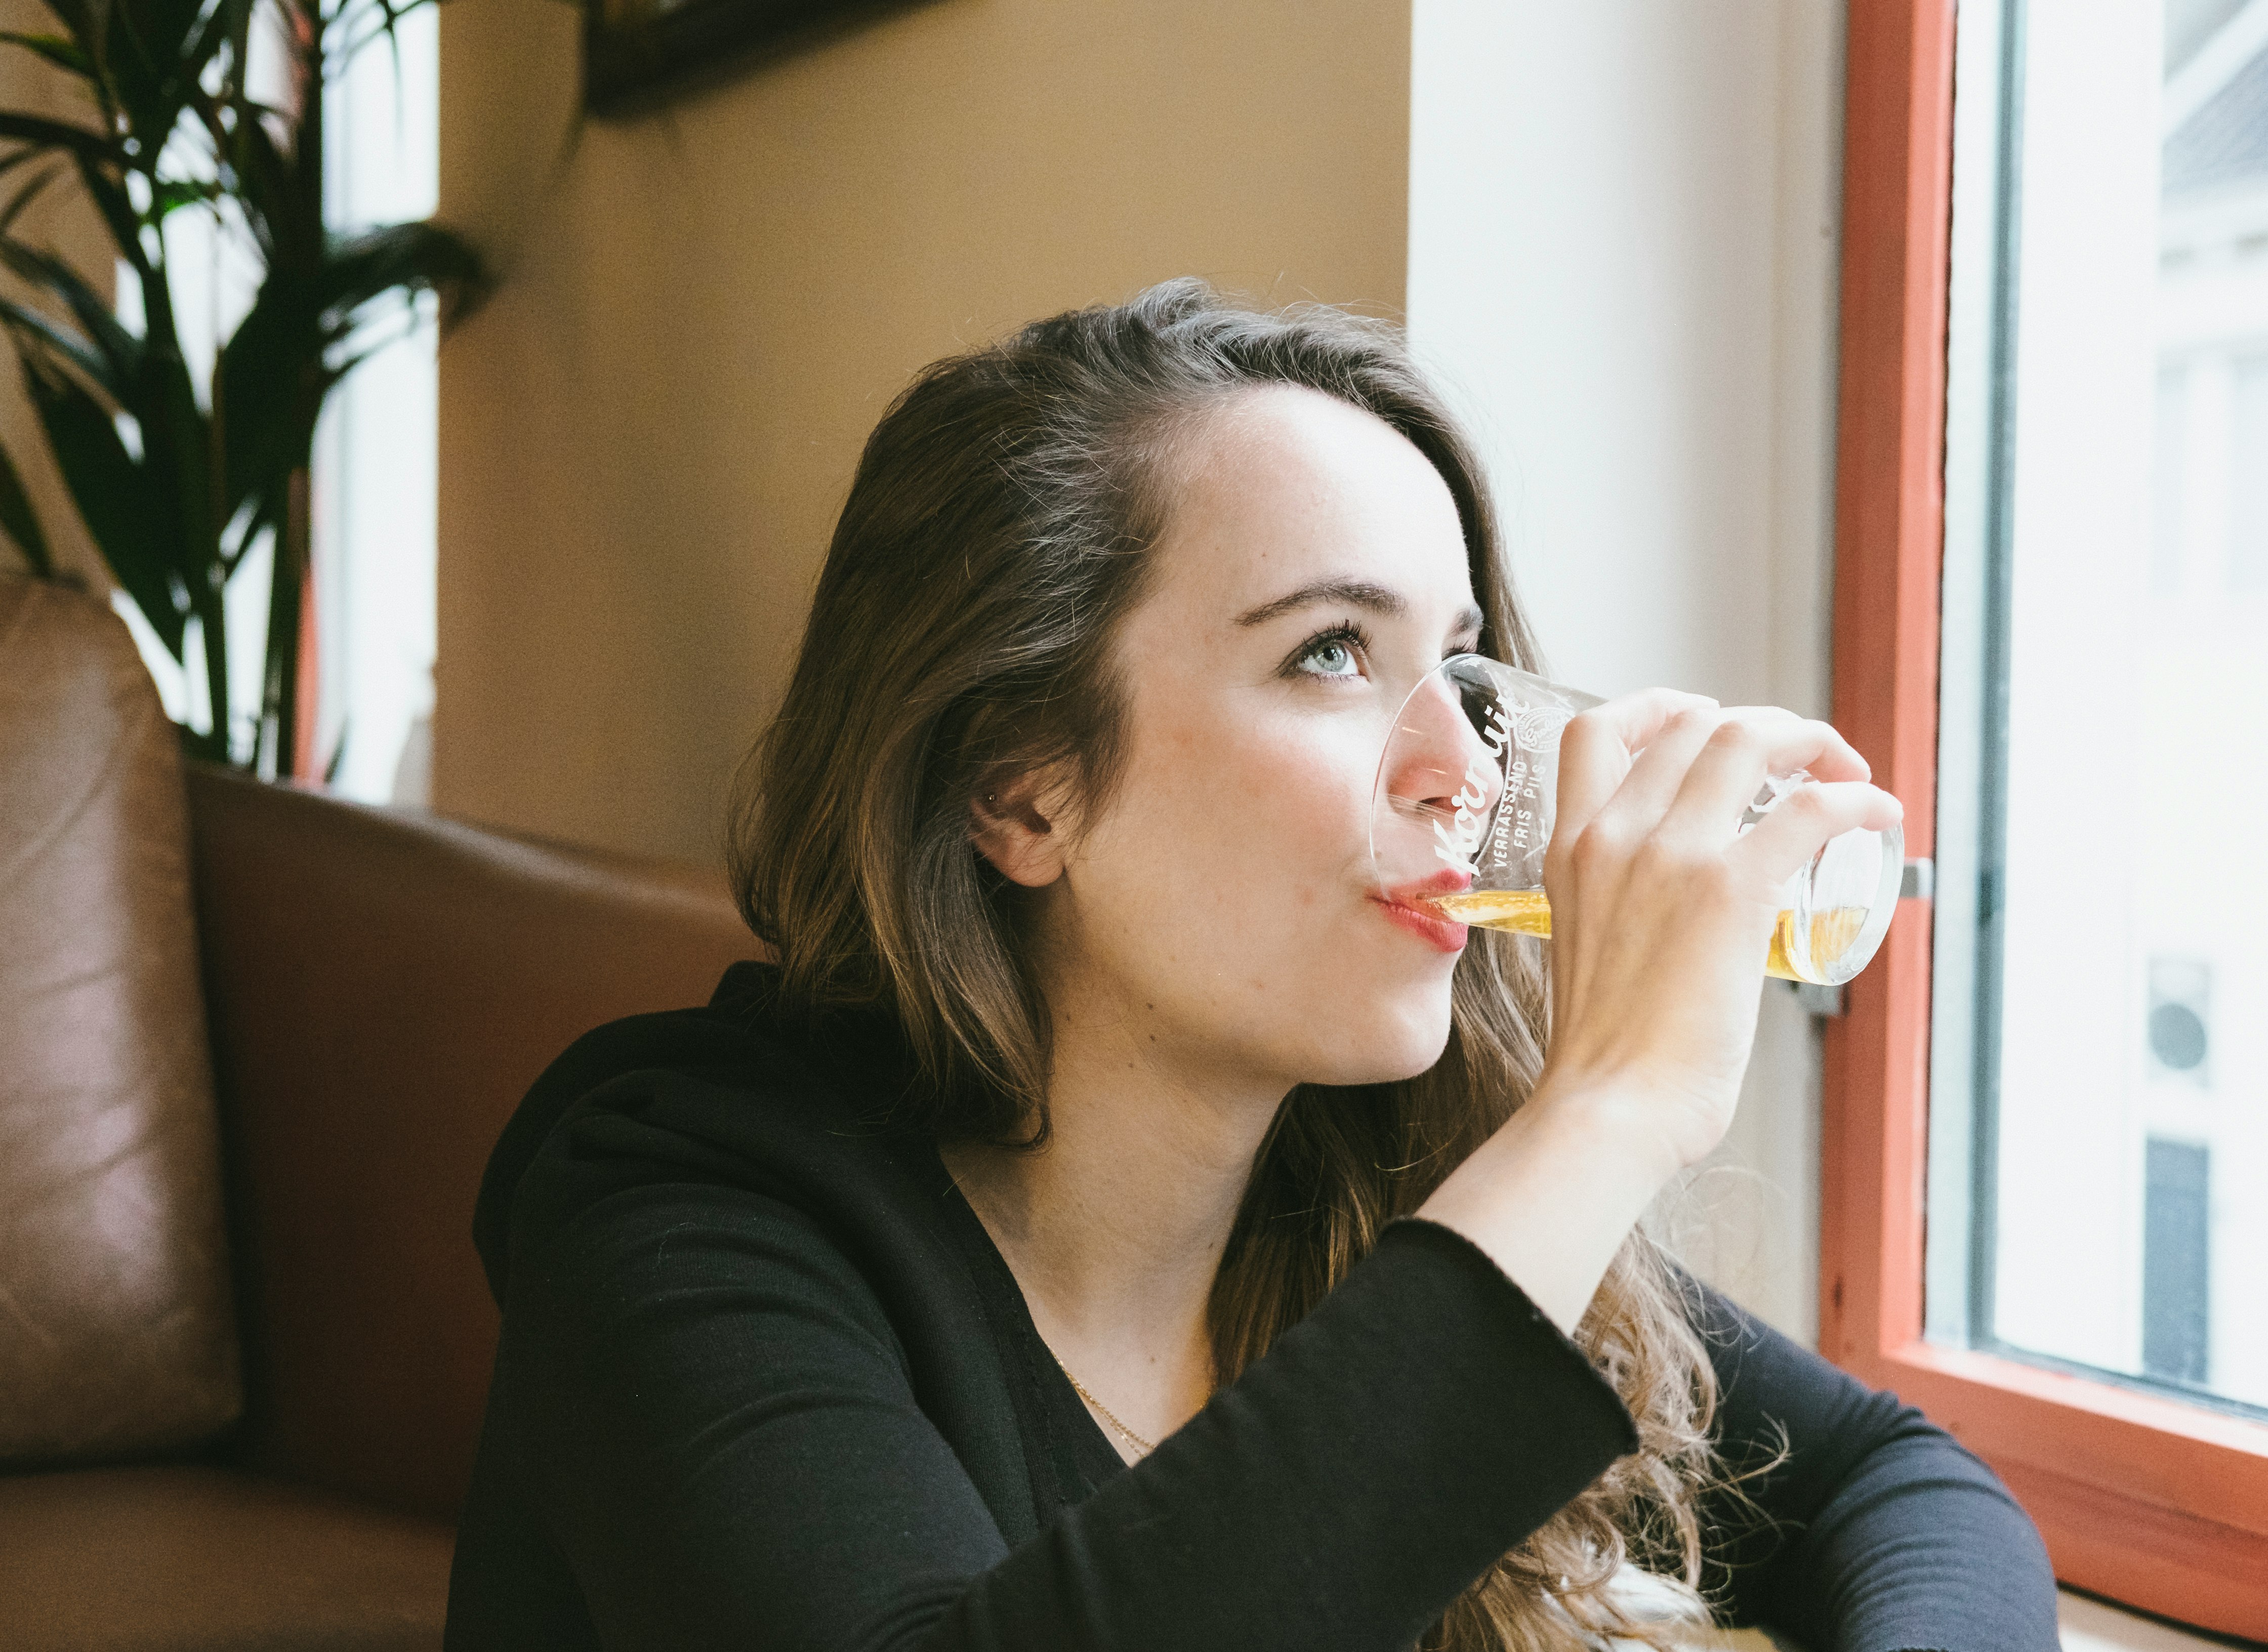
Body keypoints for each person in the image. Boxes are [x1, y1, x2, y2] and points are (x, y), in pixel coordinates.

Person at [445, 280, 2060, 1651]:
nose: (1466, 770)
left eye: (1466, 665)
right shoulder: (672, 1214)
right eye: (1333, 654)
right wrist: (1613, 1105)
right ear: (1023, 788)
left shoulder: (1358, 1179)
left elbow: (1897, 1486)